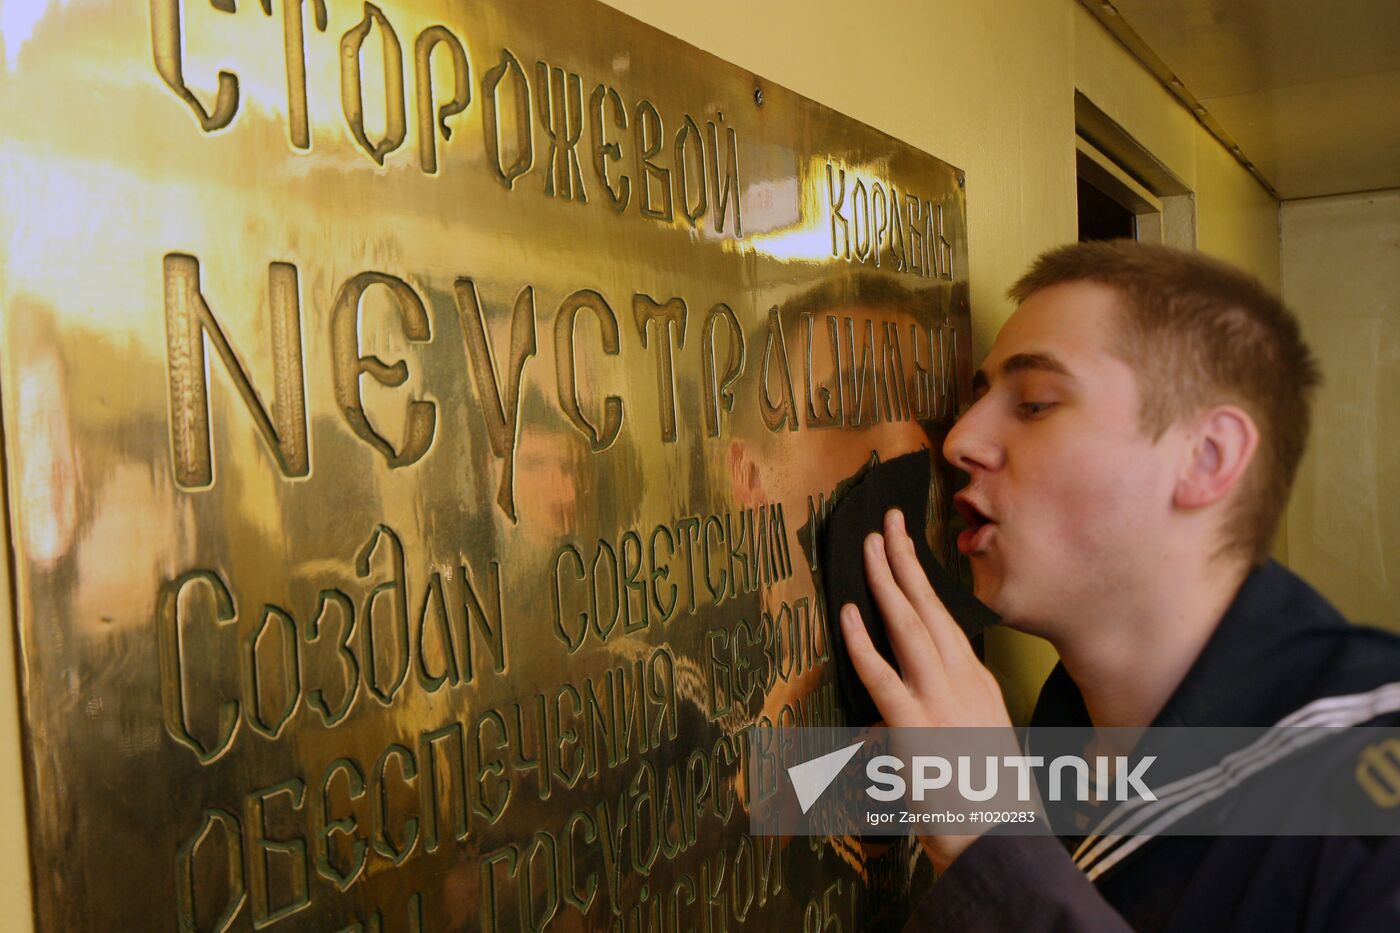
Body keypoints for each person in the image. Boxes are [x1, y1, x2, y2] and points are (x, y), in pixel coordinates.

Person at [838, 240, 1400, 931]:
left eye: (1036, 403)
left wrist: (993, 842)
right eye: (979, 397)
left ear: (1206, 458)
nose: (958, 439)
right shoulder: (1062, 728)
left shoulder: (1370, 777)